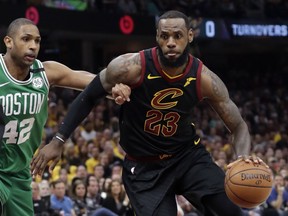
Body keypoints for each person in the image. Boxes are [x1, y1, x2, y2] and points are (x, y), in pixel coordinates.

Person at [31, 10, 265, 215]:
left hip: (187, 157)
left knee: (230, 210)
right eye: (165, 36)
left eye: (177, 36)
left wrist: (242, 157)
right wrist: (59, 140)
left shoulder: (204, 78)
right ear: (157, 38)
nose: (171, 42)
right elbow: (88, 95)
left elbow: (239, 126)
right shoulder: (130, 67)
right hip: (143, 167)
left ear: (190, 37)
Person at [0, 18, 130, 216]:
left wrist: (116, 89)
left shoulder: (45, 72)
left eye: (37, 41)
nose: (33, 46)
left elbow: (94, 82)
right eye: (26, 39)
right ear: (8, 42)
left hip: (20, 173)